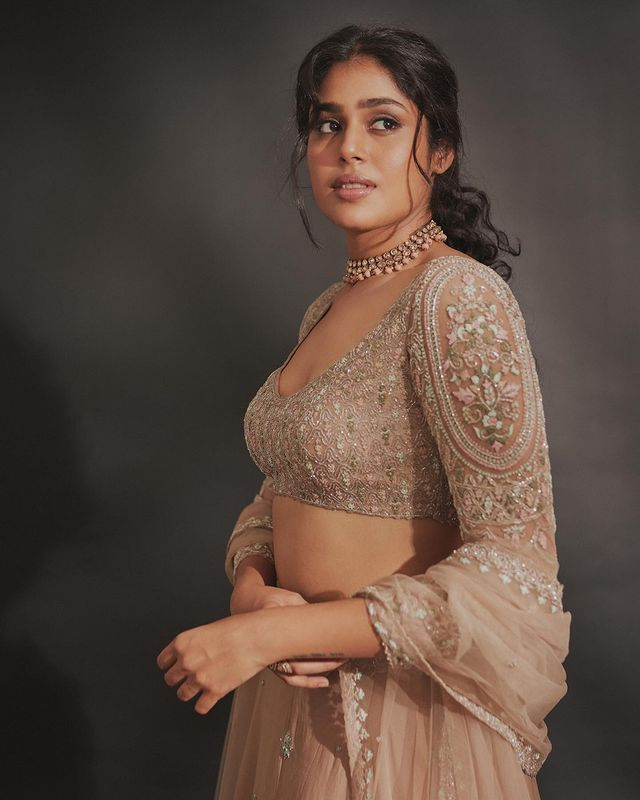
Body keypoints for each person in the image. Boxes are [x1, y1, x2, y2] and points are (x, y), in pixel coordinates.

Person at [156, 24, 571, 800]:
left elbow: (516, 572)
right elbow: (283, 489)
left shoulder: (455, 298)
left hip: (405, 714)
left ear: (440, 148)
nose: (349, 148)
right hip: (290, 699)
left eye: (383, 122)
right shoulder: (328, 308)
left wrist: (283, 631)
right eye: (328, 124)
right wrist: (252, 588)